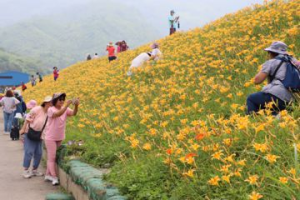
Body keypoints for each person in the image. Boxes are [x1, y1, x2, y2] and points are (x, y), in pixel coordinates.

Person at [246, 41, 299, 115]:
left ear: (271, 53)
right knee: (269, 108)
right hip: (294, 100)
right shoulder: (295, 62)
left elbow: (257, 81)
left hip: (277, 95)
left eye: (268, 53)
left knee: (251, 99)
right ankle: (276, 117)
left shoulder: (272, 62)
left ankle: (252, 120)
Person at [44, 93, 79, 185]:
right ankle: (54, 177)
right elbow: (58, 114)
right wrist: (67, 105)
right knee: (52, 158)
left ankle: (48, 174)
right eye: (60, 99)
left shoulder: (65, 109)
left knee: (52, 157)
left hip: (59, 137)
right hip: (50, 137)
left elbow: (73, 113)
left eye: (63, 99)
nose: (62, 101)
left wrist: (76, 105)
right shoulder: (50, 109)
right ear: (55, 101)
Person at [19, 96, 52, 178]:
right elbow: (28, 118)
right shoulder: (37, 109)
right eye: (50, 103)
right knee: (29, 152)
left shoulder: (49, 112)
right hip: (29, 132)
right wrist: (23, 128)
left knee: (39, 153)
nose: (51, 105)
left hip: (39, 135)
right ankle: (25, 170)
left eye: (52, 103)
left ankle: (34, 170)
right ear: (45, 103)